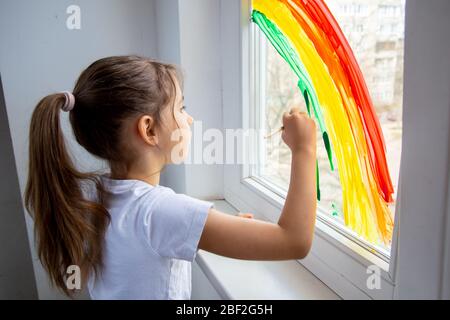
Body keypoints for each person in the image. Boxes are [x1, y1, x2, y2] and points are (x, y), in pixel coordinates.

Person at [24, 55, 317, 299]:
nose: (189, 119)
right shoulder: (161, 212)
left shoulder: (91, 194)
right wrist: (303, 149)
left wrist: (215, 226)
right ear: (149, 130)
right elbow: (293, 241)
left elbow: (145, 228)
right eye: (181, 107)